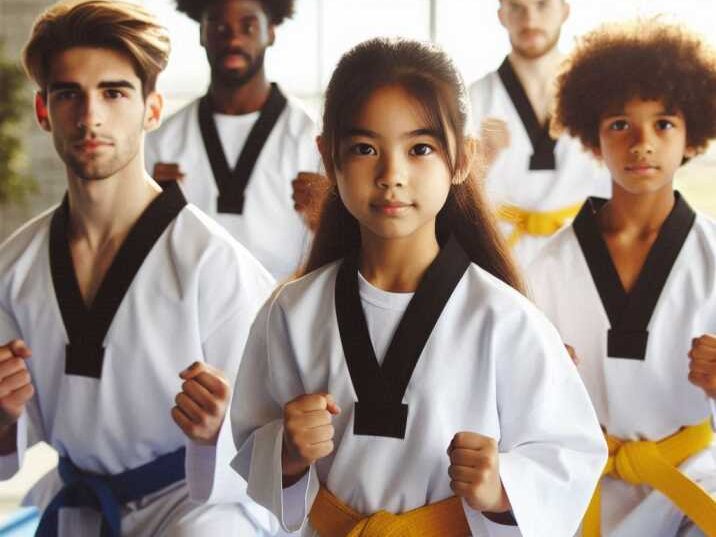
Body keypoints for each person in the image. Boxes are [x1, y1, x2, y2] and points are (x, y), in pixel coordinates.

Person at [228, 37, 606, 536]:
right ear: (328, 156)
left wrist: (500, 489)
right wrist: (288, 453)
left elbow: (570, 455)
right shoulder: (292, 312)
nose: (391, 176)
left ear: (463, 159)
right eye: (365, 149)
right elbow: (251, 444)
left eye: (420, 149)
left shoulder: (504, 319)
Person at [0, 1, 277, 534]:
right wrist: (3, 415)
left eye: (114, 92)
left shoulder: (212, 263)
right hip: (79, 501)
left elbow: (273, 437)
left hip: (197, 507)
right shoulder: (16, 267)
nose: (90, 117)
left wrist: (217, 429)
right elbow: (14, 440)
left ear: (152, 109)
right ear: (43, 112)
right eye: (68, 95)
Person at [528, 20, 716, 536]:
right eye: (620, 125)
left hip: (691, 478)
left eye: (663, 124)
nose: (641, 144)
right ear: (592, 136)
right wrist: (535, 379)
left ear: (692, 134)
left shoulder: (713, 256)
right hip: (581, 477)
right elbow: (517, 403)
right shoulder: (548, 265)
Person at [145, 0, 323, 281]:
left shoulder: (312, 140)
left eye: (248, 25)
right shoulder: (162, 142)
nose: (233, 38)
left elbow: (341, 251)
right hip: (192, 313)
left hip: (281, 311)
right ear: (201, 33)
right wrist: (150, 209)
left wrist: (328, 220)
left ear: (271, 31)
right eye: (217, 25)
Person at [470, 0, 609, 265]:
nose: (530, 19)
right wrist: (483, 160)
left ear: (564, 10)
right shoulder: (474, 99)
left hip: (582, 252)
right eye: (517, 6)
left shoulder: (598, 97)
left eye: (542, 5)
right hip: (501, 256)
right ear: (501, 15)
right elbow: (453, 197)